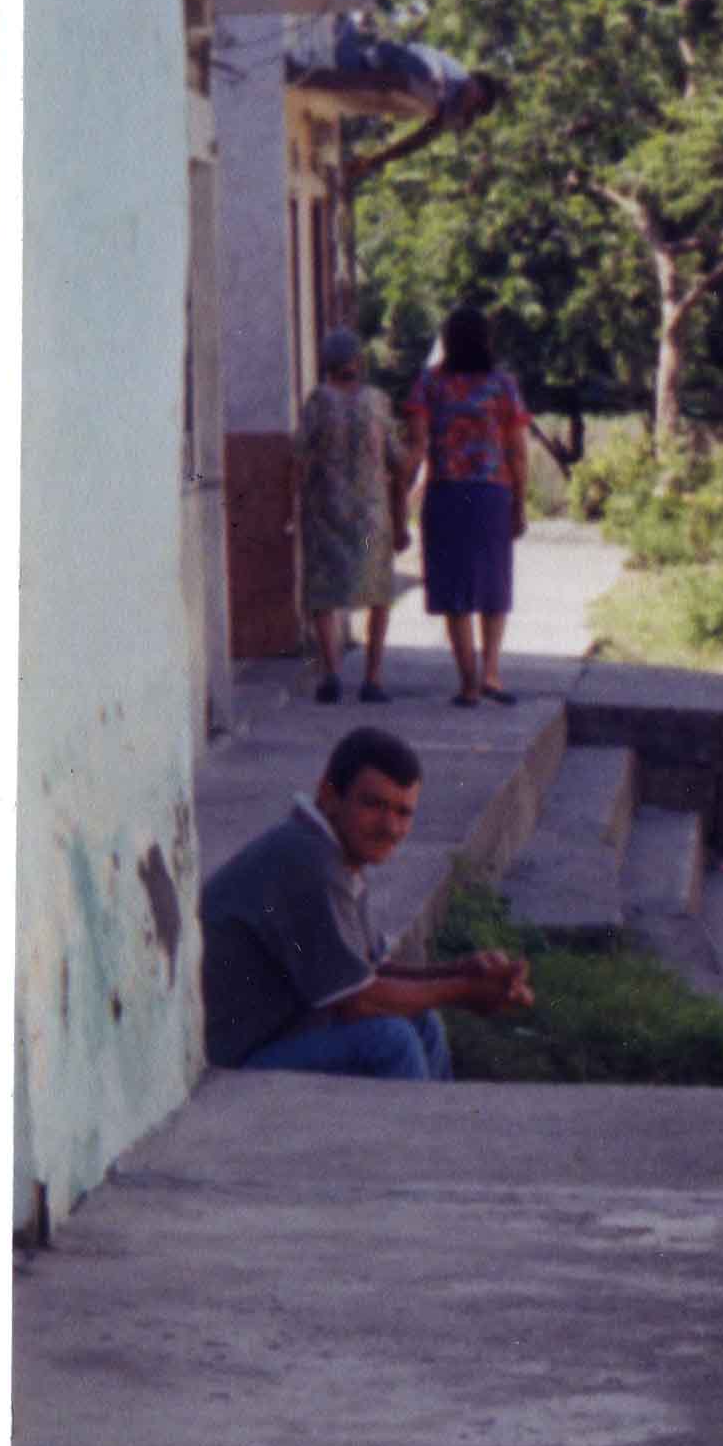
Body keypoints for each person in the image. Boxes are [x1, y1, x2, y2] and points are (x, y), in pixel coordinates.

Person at [199, 724, 533, 1081]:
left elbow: (367, 972)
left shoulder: (330, 850)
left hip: (285, 1030)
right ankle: (415, 1121)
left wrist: (461, 972)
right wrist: (463, 991)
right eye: (374, 805)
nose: (390, 827)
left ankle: (437, 1116)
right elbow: (357, 1001)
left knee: (422, 1020)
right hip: (235, 1060)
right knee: (389, 1041)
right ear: (329, 794)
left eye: (403, 812)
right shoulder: (307, 860)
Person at [403, 303, 531, 707]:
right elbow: (517, 451)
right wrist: (520, 502)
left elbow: (417, 445)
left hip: (447, 494)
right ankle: (492, 672)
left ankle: (468, 683)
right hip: (493, 494)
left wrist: (398, 492)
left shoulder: (428, 384)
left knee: (454, 588)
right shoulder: (503, 385)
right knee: (494, 585)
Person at [293, 328, 410, 703]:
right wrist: (401, 516)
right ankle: (373, 679)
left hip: (325, 511)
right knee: (378, 594)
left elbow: (298, 454)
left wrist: (297, 503)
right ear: (358, 362)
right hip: (371, 516)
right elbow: (397, 460)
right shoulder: (377, 402)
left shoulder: (318, 402)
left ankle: (330, 674)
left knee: (323, 595)